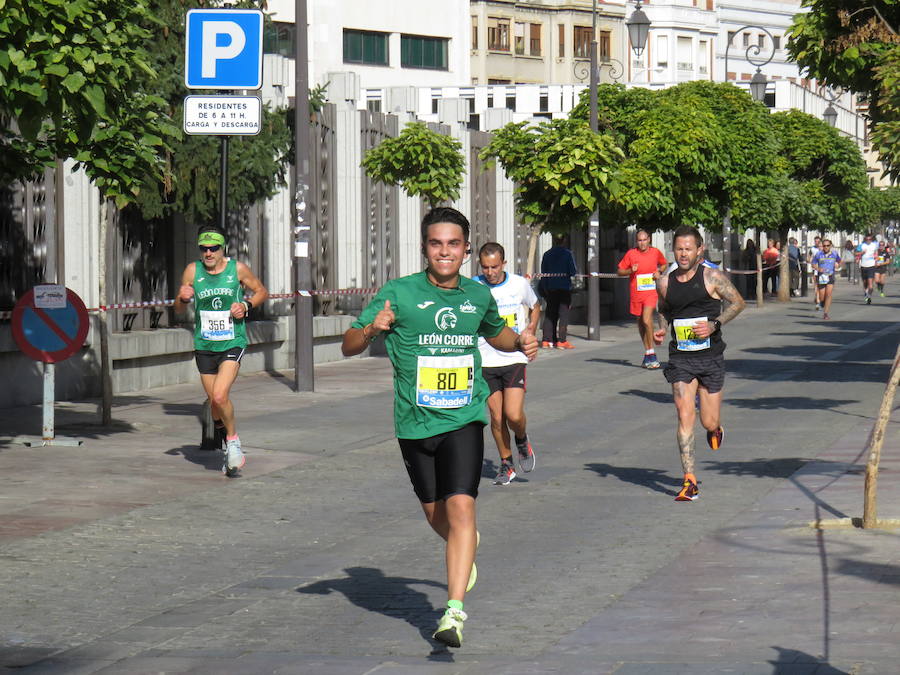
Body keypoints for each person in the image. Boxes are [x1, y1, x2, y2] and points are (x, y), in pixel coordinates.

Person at [341, 207, 538, 649]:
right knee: (436, 515)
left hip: (464, 417)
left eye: (453, 244)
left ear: (466, 250)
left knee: (462, 508)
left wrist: (521, 341)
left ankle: (453, 614)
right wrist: (373, 327)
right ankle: (463, 547)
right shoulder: (398, 293)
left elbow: (497, 335)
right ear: (424, 248)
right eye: (436, 243)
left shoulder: (476, 295)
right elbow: (349, 344)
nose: (444, 251)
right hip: (414, 423)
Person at [654, 226, 746, 502]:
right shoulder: (665, 282)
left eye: (688, 249)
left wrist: (714, 324)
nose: (683, 254)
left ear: (699, 250)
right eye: (679, 248)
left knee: (708, 421)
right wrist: (661, 328)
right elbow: (664, 310)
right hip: (681, 358)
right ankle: (689, 481)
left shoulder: (712, 277)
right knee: (684, 416)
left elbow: (738, 303)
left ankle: (716, 428)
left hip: (710, 358)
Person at [175, 226, 269, 476]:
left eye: (213, 248)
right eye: (204, 248)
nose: (208, 253)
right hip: (204, 345)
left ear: (222, 248)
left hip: (232, 341)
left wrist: (246, 306)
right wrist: (182, 299)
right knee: (214, 404)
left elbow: (261, 291)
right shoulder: (192, 271)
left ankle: (233, 441)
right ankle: (224, 435)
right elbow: (178, 310)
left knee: (219, 396)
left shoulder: (236, 269)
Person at [474, 242, 540, 486]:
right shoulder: (474, 286)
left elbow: (536, 307)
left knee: (512, 415)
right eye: (485, 267)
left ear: (504, 263)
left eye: (494, 267)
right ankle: (506, 463)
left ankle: (521, 438)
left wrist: (531, 329)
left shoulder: (518, 284)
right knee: (496, 417)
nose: (490, 272)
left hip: (514, 357)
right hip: (485, 360)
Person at [617, 230, 669, 368]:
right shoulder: (631, 254)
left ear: (649, 240)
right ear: (636, 242)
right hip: (636, 293)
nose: (642, 243)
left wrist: (659, 271)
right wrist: (630, 271)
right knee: (640, 322)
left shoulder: (655, 252)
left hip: (651, 292)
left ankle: (652, 352)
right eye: (640, 240)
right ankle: (648, 353)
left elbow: (664, 264)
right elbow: (620, 271)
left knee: (647, 319)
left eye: (644, 240)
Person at [539, 234, 577, 349]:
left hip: (550, 288)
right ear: (564, 240)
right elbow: (573, 271)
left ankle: (547, 340)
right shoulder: (567, 254)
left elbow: (543, 272)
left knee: (550, 314)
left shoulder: (547, 254)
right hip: (564, 288)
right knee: (563, 314)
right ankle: (561, 340)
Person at [811, 239, 842, 320]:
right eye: (824, 246)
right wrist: (818, 268)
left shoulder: (834, 254)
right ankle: (821, 302)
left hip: (830, 276)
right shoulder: (819, 254)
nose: (826, 247)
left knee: (828, 294)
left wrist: (838, 265)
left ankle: (825, 313)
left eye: (828, 245)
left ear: (830, 246)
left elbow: (840, 261)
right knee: (822, 296)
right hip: (821, 277)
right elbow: (813, 264)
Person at [857, 233, 878, 304]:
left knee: (870, 284)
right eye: (867, 239)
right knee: (865, 283)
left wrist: (876, 259)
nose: (868, 241)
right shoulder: (861, 245)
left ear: (871, 239)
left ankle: (869, 296)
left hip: (871, 266)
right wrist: (861, 253)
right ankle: (866, 293)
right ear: (865, 239)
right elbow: (856, 253)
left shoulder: (874, 245)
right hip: (863, 266)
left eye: (870, 239)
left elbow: (876, 252)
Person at [808, 236, 822, 309]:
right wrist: (809, 261)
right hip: (815, 270)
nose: (817, 243)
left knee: (821, 286)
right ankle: (817, 299)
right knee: (816, 285)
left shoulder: (824, 252)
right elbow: (809, 257)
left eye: (818, 242)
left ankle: (819, 298)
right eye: (815, 241)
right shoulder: (812, 249)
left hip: (823, 271)